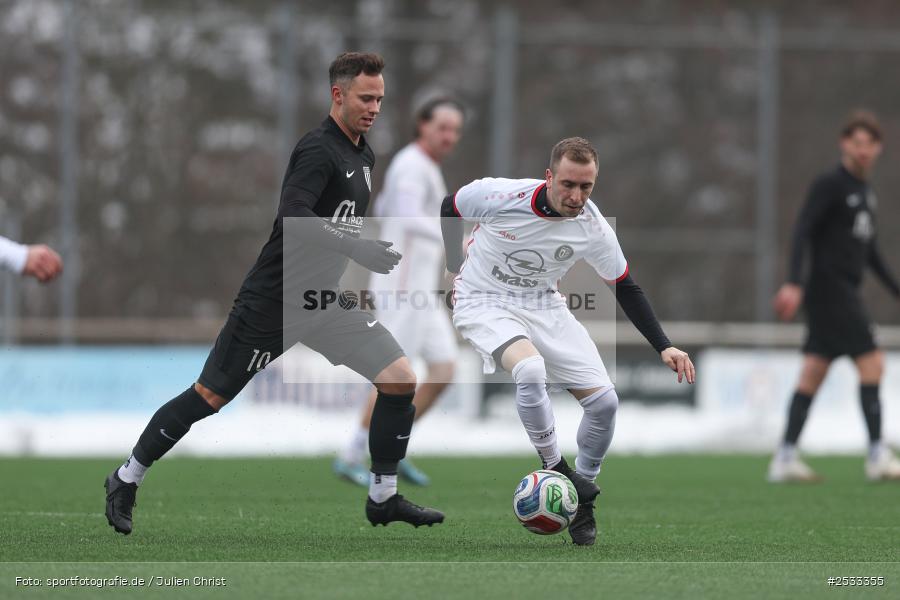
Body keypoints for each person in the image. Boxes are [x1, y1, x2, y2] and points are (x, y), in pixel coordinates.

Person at [104, 52, 444, 535]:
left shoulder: (363, 154)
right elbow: (294, 216)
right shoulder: (318, 150)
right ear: (338, 95)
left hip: (323, 301)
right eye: (366, 98)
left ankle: (383, 497)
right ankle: (125, 477)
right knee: (209, 396)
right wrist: (360, 249)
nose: (374, 107)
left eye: (381, 99)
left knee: (399, 380)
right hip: (274, 300)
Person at [441, 137, 695, 545]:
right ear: (549, 177)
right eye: (568, 184)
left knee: (605, 403)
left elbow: (624, 286)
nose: (576, 196)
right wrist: (454, 270)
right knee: (529, 367)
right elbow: (450, 207)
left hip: (544, 305)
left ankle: (583, 501)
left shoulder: (592, 226)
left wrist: (663, 344)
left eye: (586, 187)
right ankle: (557, 468)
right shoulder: (500, 195)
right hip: (482, 300)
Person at [334, 98, 465, 487]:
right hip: (402, 290)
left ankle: (393, 446)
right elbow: (406, 217)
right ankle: (351, 454)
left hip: (421, 294)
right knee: (392, 375)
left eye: (455, 130)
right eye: (442, 127)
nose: (449, 136)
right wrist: (455, 236)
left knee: (443, 370)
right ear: (422, 125)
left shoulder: (425, 169)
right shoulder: (411, 164)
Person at [769, 110, 900, 483]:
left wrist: (895, 290)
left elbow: (870, 250)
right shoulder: (830, 183)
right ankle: (877, 455)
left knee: (813, 372)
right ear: (845, 144)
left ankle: (784, 457)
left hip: (840, 291)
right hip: (831, 290)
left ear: (878, 148)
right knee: (872, 362)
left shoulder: (866, 192)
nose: (863, 150)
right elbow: (802, 231)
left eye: (870, 144)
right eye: (856, 143)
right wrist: (794, 281)